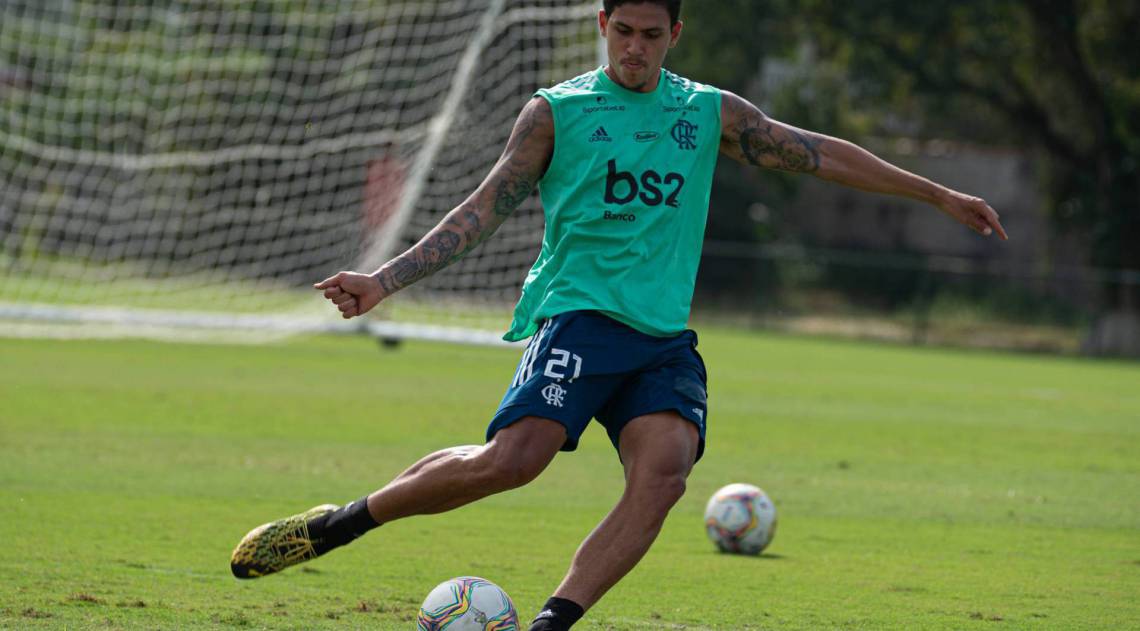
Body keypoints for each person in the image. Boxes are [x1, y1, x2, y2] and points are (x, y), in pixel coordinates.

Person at [230, 1, 1008, 628]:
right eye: (623, 32)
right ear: (603, 27)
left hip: (662, 341)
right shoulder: (556, 114)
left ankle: (551, 621)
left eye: (651, 35)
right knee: (514, 461)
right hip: (578, 318)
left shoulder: (709, 113)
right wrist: (384, 279)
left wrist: (936, 193)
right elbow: (485, 208)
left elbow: (819, 152)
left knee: (664, 475)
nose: (635, 48)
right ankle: (340, 524)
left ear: (676, 33)